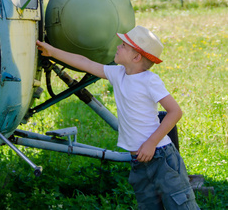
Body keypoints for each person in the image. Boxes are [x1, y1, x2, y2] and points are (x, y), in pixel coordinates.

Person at [36, 25, 199, 209]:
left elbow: (175, 112)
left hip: (161, 158)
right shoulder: (117, 74)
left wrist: (151, 143)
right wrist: (52, 52)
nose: (118, 47)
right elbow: (85, 63)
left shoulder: (149, 81)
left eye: (123, 45)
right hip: (139, 161)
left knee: (181, 206)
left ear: (136, 57)